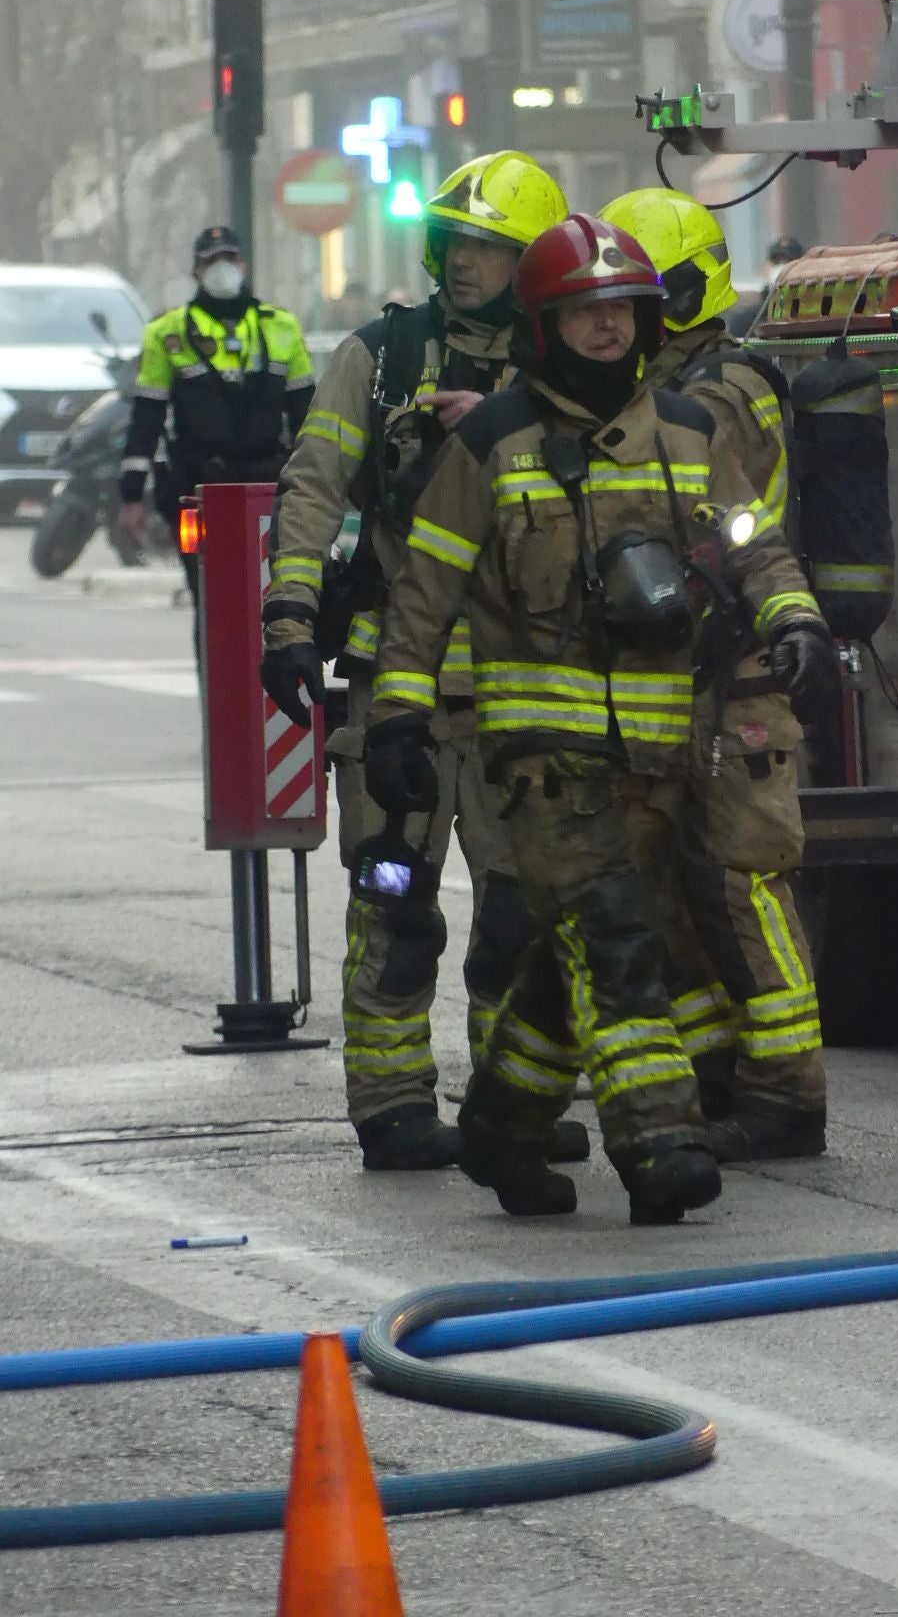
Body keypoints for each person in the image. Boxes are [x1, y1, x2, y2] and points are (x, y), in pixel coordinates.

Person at [362, 214, 834, 1222]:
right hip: (542, 763)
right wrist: (398, 719)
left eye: (621, 308)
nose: (607, 327)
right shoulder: (491, 444)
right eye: (585, 312)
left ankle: (501, 1126)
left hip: (661, 752)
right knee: (618, 939)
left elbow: (752, 541)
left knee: (558, 953)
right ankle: (656, 1139)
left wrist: (796, 619)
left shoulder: (693, 432)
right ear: (547, 324)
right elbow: (422, 596)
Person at [260, 152, 576, 1172]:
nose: (465, 261)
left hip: (529, 696)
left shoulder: (568, 373)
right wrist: (290, 619)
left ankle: (508, 1103)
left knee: (523, 912)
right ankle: (394, 1105)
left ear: (530, 263)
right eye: (455, 242)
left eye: (488, 246)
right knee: (394, 900)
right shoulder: (383, 357)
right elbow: (312, 488)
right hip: (399, 698)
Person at [602, 187, 828, 1161]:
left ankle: (787, 1092)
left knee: (741, 887)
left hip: (738, 682)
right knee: (665, 893)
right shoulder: (665, 391)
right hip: (677, 683)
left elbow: (719, 523)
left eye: (640, 299)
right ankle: (720, 1072)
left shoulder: (725, 393)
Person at [118, 227, 314, 602]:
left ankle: (268, 663)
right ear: (196, 270)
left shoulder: (280, 327)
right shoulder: (167, 333)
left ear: (243, 265)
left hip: (267, 485)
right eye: (211, 261)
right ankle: (213, 663)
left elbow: (307, 413)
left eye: (228, 259)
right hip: (197, 487)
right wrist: (131, 496)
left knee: (271, 596)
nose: (221, 268)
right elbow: (147, 416)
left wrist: (317, 484)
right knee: (210, 596)